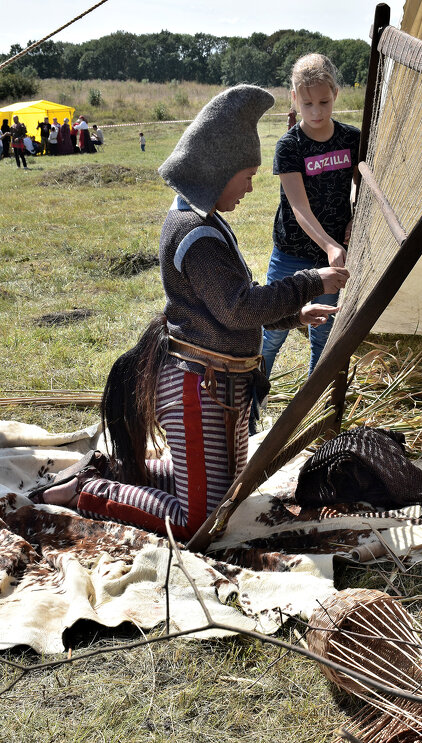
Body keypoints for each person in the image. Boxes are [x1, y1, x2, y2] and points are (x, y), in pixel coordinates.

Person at [30, 84, 349, 543]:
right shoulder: (195, 235)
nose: (251, 186)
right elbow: (239, 308)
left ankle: (122, 468)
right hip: (197, 389)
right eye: (247, 175)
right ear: (218, 171)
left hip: (222, 386)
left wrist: (294, 315)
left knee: (223, 496)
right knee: (197, 521)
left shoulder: (206, 221)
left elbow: (233, 301)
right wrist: (310, 280)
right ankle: (89, 489)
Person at [261, 53, 360, 380]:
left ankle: (312, 409)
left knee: (322, 332)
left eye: (323, 102)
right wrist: (332, 246)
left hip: (332, 256)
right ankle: (249, 403)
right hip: (291, 254)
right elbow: (299, 208)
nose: (316, 112)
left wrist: (355, 218)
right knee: (273, 331)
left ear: (335, 94)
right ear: (294, 98)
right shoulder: (290, 146)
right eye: (307, 104)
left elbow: (365, 187)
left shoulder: (352, 139)